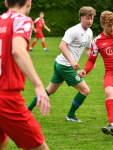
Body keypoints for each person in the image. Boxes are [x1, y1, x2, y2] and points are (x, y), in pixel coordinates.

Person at [27, 6, 96, 122]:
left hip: (60, 64)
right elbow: (61, 46)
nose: (90, 21)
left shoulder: (89, 32)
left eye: (92, 19)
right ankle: (70, 115)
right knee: (85, 90)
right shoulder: (73, 30)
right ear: (81, 17)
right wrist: (72, 61)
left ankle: (26, 111)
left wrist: (92, 60)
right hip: (65, 66)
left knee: (50, 90)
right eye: (87, 18)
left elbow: (88, 49)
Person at [0, 0, 51, 150]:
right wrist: (39, 85)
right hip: (6, 98)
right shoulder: (22, 20)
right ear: (29, 2)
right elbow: (18, 50)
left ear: (6, 2)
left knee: (2, 140)